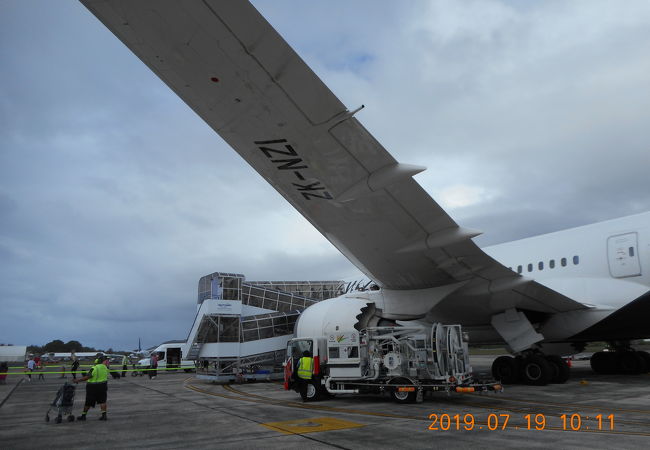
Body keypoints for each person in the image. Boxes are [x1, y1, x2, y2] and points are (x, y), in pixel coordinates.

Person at [74, 354, 109, 421]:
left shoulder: (94, 368)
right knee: (102, 401)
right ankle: (104, 416)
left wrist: (77, 380)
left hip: (92, 387)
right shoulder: (105, 368)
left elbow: (88, 377)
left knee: (88, 402)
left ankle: (83, 416)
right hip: (103, 386)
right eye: (106, 361)